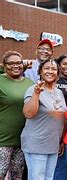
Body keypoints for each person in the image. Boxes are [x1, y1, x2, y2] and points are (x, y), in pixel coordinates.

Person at [21, 59, 67, 180]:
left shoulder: (59, 93)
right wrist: (36, 94)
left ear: (58, 73)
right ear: (40, 71)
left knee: (49, 178)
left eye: (53, 69)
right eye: (46, 68)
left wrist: (61, 140)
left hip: (53, 144)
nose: (50, 71)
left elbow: (62, 118)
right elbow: (28, 114)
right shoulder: (33, 89)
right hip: (36, 143)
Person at [0, 51, 33, 179]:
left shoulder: (30, 83)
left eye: (18, 62)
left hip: (23, 140)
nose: (15, 66)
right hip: (2, 139)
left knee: (17, 176)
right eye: (11, 63)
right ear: (4, 65)